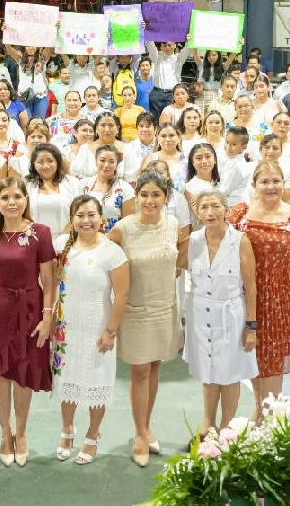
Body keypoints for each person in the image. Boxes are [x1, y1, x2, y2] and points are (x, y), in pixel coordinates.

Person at [0, 178, 56, 467]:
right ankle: (4, 432)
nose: (11, 202)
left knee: (23, 370)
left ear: (25, 200)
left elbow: (49, 280)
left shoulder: (40, 233)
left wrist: (47, 316)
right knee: (0, 372)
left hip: (30, 308)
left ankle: (21, 433)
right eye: (5, 197)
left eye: (17, 196)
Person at [107, 170, 189, 467]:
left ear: (166, 197)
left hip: (164, 307)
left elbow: (180, 258)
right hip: (136, 310)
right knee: (140, 371)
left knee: (154, 368)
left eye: (156, 195)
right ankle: (140, 434)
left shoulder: (173, 224)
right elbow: (104, 259)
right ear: (136, 197)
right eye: (144, 195)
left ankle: (147, 424)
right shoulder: (123, 229)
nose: (149, 200)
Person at [228, 161, 290, 419]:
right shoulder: (239, 214)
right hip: (245, 295)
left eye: (276, 181)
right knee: (253, 352)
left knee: (274, 356)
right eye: (264, 181)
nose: (271, 186)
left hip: (282, 296)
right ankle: (258, 407)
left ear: (283, 183)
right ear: (254, 185)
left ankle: (270, 414)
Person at [52, 195, 129, 464]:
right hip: (67, 330)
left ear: (101, 219)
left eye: (91, 215)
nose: (86, 220)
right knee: (67, 380)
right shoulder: (61, 246)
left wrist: (110, 331)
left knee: (98, 380)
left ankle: (93, 434)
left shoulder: (112, 252)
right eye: (80, 215)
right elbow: (50, 282)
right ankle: (67, 429)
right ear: (72, 219)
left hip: (98, 329)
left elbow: (121, 295)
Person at [184, 189, 258, 440]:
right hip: (200, 316)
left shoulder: (240, 240)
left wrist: (251, 327)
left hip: (231, 316)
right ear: (197, 213)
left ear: (226, 209)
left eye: (215, 206)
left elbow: (251, 287)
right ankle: (208, 424)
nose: (210, 212)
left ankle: (227, 427)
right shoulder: (193, 240)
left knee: (229, 374)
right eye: (204, 207)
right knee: (208, 372)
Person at [80, 145, 135, 233]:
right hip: (85, 235)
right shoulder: (83, 185)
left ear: (117, 164)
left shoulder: (125, 189)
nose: (106, 165)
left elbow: (128, 225)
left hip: (113, 238)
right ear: (96, 161)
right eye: (102, 160)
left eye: (111, 162)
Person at [145, 40, 191, 121]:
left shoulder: (179, 58)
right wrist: (147, 33)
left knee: (171, 120)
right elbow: (150, 44)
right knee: (154, 121)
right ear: (161, 46)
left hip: (171, 94)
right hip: (157, 93)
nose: (167, 48)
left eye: (169, 45)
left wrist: (189, 39)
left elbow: (187, 48)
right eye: (165, 45)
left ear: (175, 45)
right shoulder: (156, 57)